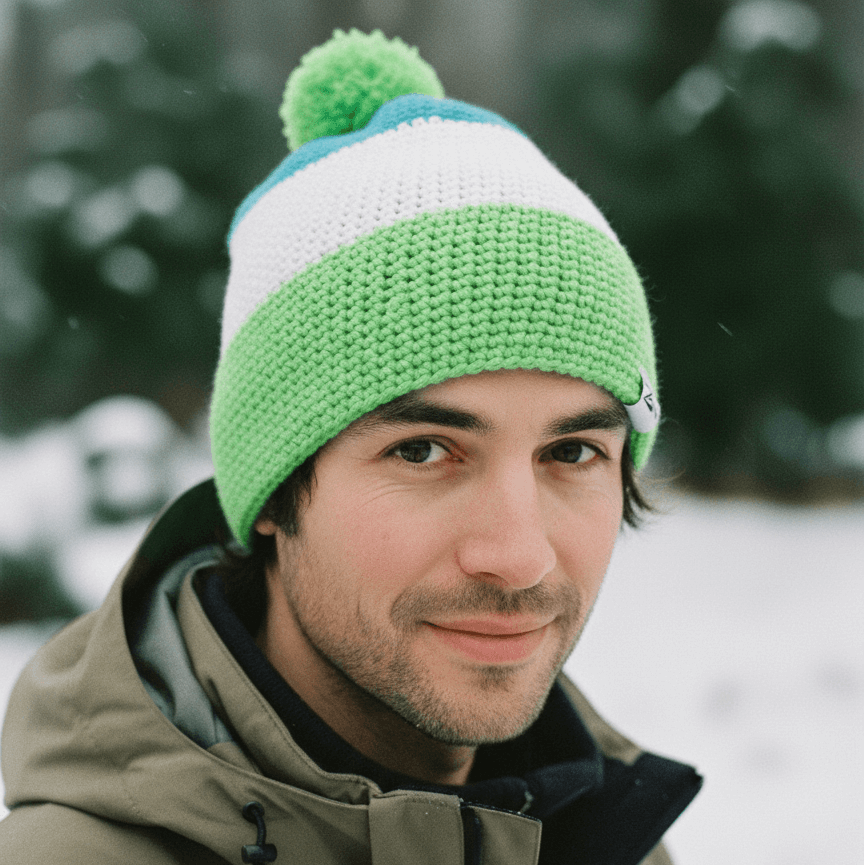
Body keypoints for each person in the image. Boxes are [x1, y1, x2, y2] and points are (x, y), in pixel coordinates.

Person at [0, 29, 701, 864]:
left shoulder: (612, 840)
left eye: (573, 452)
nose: (518, 557)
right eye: (423, 450)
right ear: (272, 493)